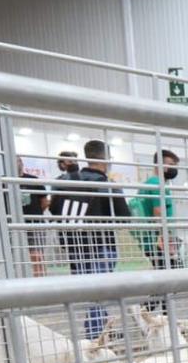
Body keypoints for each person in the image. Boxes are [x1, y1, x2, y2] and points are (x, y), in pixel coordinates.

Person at [52, 140, 131, 339]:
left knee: (92, 293)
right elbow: (124, 216)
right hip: (101, 245)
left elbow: (54, 209)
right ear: (104, 159)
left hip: (74, 247)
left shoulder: (64, 181)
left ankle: (102, 329)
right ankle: (96, 336)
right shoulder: (106, 184)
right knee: (99, 293)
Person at [129, 149, 181, 306]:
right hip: (157, 239)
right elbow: (158, 212)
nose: (173, 168)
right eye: (170, 164)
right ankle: (143, 313)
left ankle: (162, 319)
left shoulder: (152, 183)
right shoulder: (156, 183)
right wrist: (164, 237)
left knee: (167, 281)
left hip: (156, 238)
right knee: (172, 280)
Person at [17, 158, 53, 276]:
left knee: (37, 255)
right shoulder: (2, 181)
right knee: (14, 256)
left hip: (34, 223)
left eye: (18, 161)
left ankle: (40, 282)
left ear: (22, 164)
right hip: (13, 224)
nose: (16, 164)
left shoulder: (33, 180)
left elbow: (45, 202)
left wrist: (35, 213)